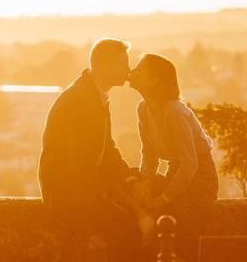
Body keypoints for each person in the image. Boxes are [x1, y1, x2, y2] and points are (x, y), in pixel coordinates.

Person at [38, 37, 143, 260]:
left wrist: (127, 177)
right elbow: (82, 160)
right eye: (123, 65)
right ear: (106, 66)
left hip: (75, 188)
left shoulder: (91, 94)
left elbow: (106, 148)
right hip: (69, 194)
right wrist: (113, 191)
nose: (128, 70)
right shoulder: (83, 100)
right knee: (129, 226)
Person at [129, 53, 219, 256]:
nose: (132, 71)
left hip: (199, 177)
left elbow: (190, 164)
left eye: (140, 69)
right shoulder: (143, 109)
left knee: (176, 225)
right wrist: (146, 181)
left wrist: (163, 199)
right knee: (131, 182)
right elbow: (150, 154)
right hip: (175, 172)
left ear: (154, 80)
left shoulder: (174, 112)